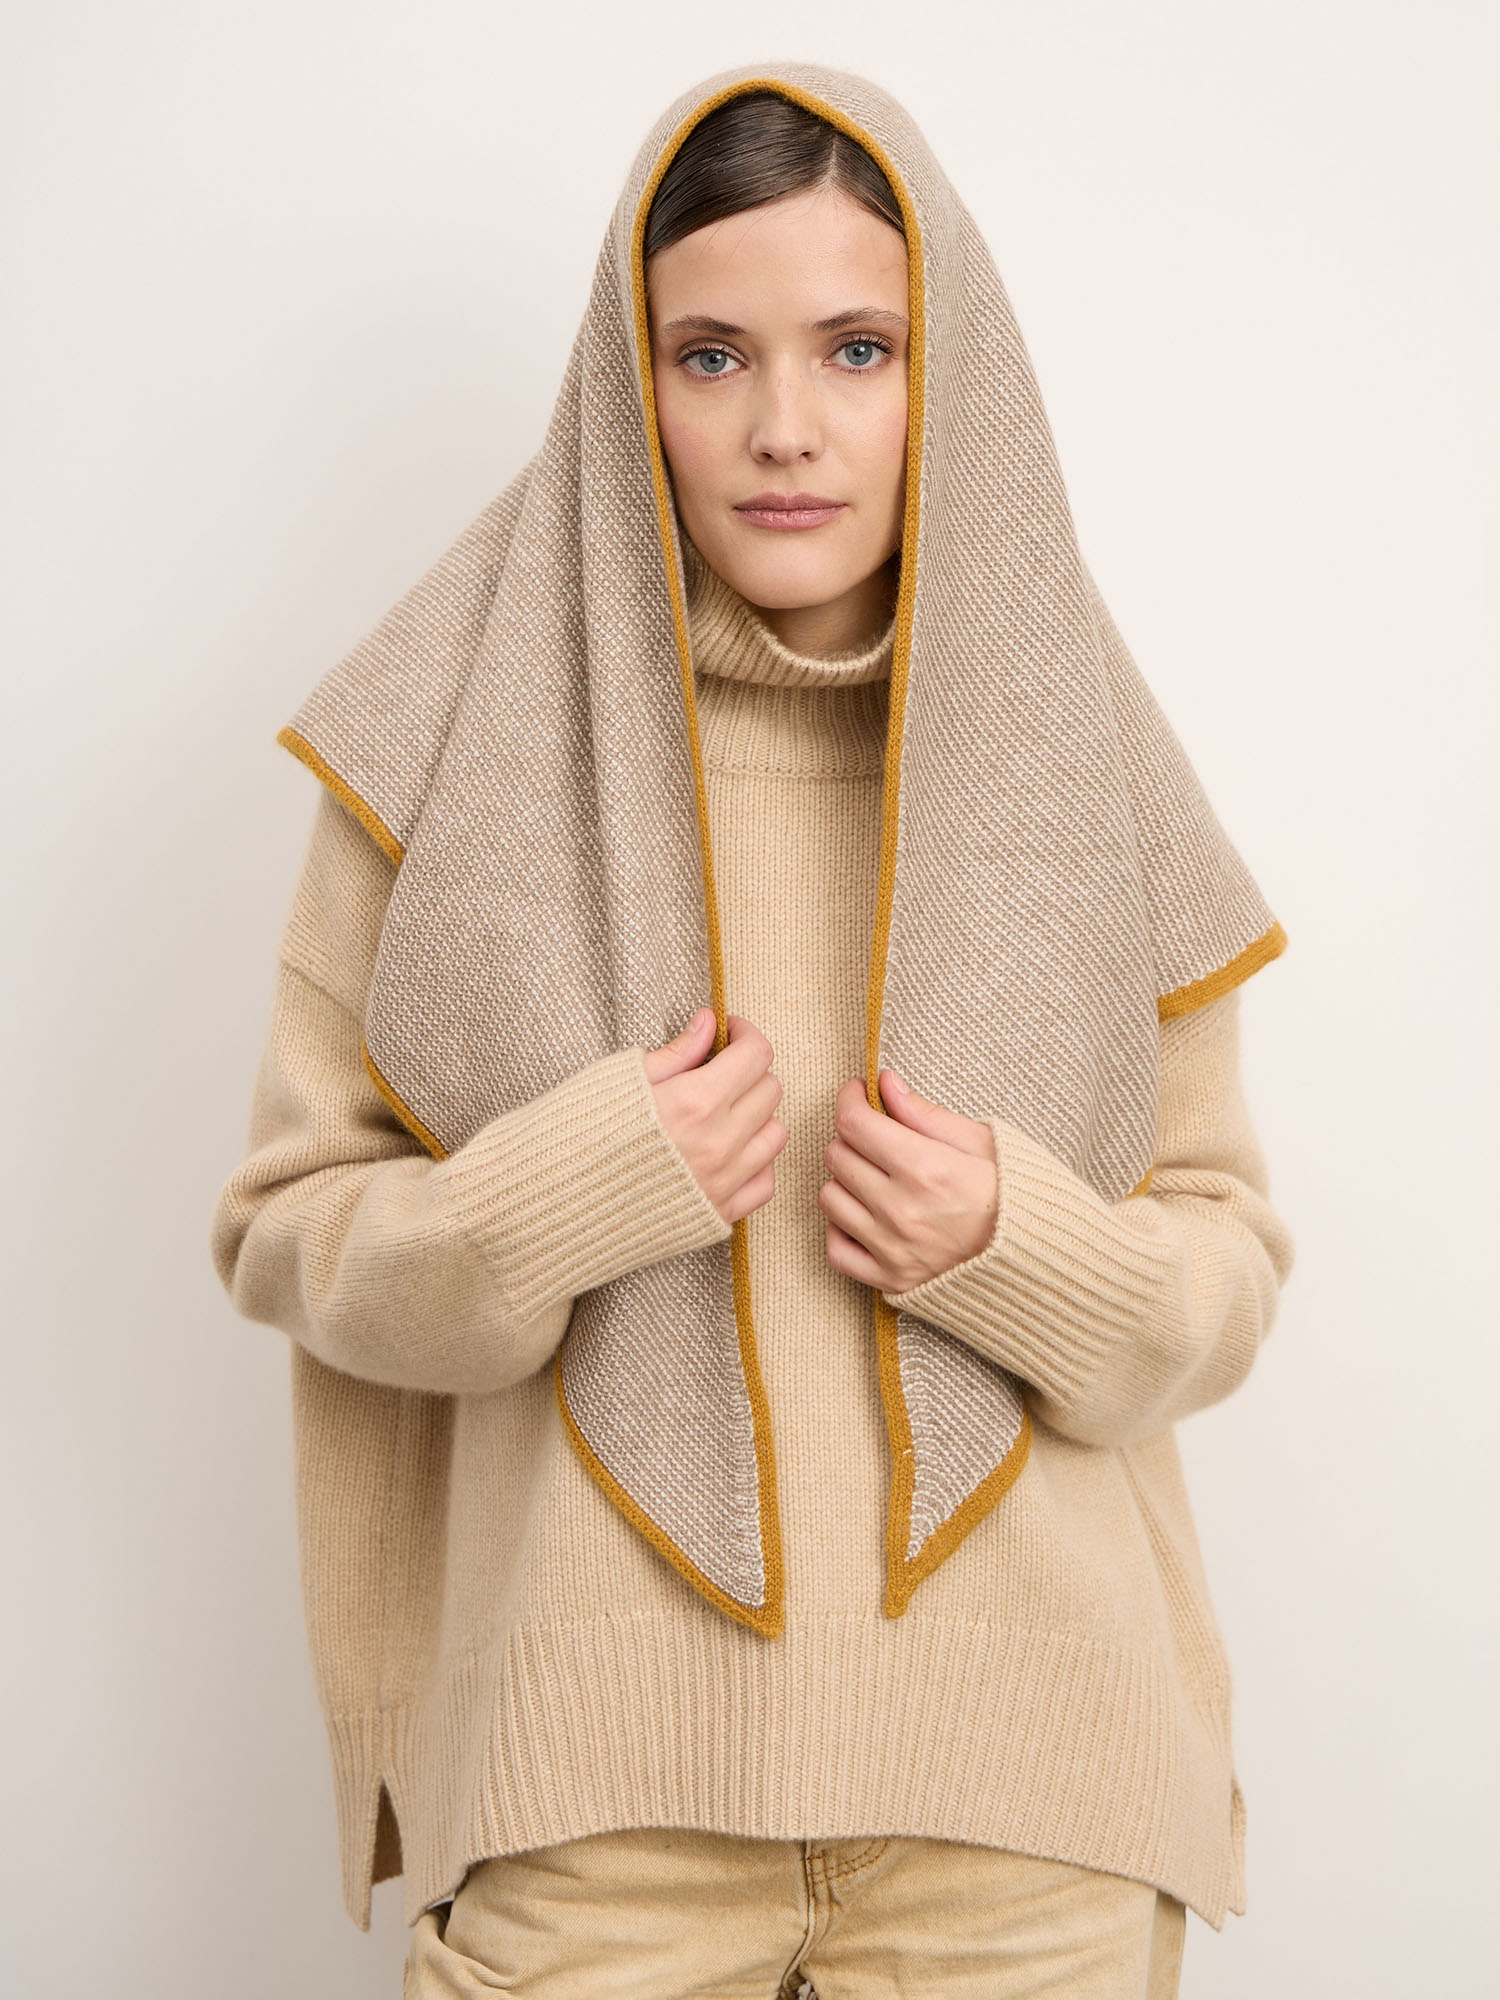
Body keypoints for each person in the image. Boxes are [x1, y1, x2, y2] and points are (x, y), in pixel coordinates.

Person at [210, 59, 1296, 1998]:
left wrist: (1017, 1243)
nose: (785, 427)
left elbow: (1223, 1270)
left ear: (949, 374)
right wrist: (555, 1199)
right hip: (589, 1804)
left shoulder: (1081, 758)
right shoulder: (446, 749)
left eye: (858, 349)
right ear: (623, 388)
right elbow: (287, 1232)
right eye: (709, 357)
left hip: (1033, 1818)